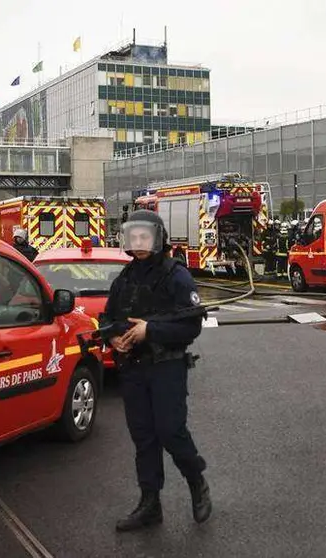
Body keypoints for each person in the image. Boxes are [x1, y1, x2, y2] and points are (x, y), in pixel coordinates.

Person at [99, 210, 212, 531]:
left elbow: (191, 325)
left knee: (171, 431)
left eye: (144, 236)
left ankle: (196, 482)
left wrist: (150, 331)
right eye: (133, 237)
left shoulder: (176, 275)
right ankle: (150, 504)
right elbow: (107, 318)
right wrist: (113, 337)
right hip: (133, 370)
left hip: (167, 367)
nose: (138, 243)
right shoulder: (125, 278)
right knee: (144, 439)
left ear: (158, 237)